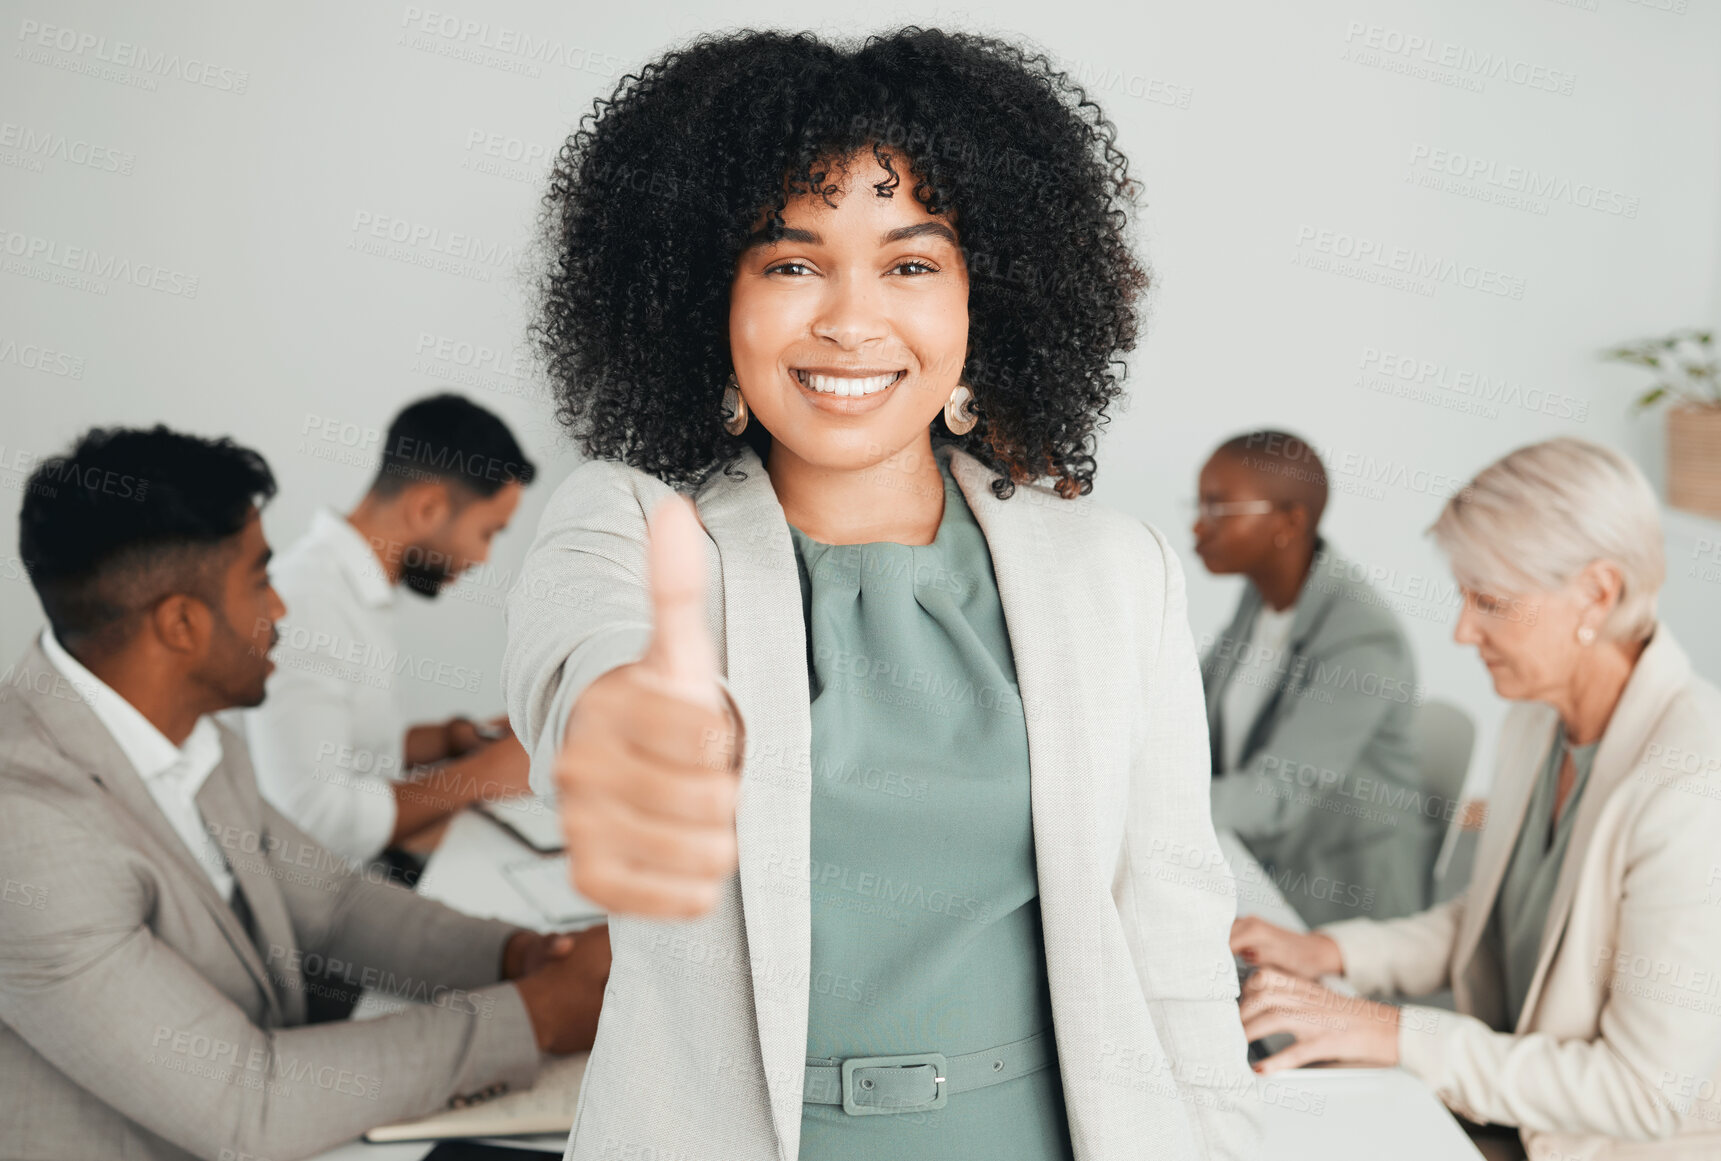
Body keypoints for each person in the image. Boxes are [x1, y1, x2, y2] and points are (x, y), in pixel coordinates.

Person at [502, 28, 1262, 1161]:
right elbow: (583, 662)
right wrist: (628, 720)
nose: (849, 322)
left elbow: (1176, 939)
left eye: (910, 265)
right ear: (705, 294)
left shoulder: (1114, 572)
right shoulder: (631, 526)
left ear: (982, 298)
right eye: (791, 262)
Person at [0, 425, 610, 1161]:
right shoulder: (27, 832)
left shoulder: (197, 738)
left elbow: (333, 902)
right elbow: (245, 1102)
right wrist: (537, 1015)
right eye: (260, 578)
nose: (281, 608)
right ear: (181, 623)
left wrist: (516, 954)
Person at [1230, 437, 1721, 1160]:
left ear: (1596, 591)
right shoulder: (1537, 715)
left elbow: (1641, 1092)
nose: (1462, 631)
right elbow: (1490, 913)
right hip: (1506, 1112)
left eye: (1489, 601)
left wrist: (1393, 1033)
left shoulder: (1691, 786)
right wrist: (1327, 948)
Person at [239, 394, 537, 873]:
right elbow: (312, 817)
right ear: (427, 508)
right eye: (488, 532)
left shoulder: (351, 587)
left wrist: (453, 739)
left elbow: (353, 749)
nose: (483, 559)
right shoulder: (308, 602)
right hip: (317, 906)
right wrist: (482, 776)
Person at [1193, 430, 1436, 924]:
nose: (1198, 528)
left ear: (1290, 521)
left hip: (1339, 897)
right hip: (1259, 861)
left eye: (1219, 510)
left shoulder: (1364, 638)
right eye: (1198, 507)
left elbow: (1280, 792)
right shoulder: (1263, 598)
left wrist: (1151, 801)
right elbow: (1190, 707)